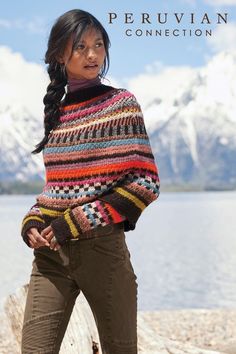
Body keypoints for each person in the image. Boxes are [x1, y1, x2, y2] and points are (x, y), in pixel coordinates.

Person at [20, 8, 160, 354]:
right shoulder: (57, 112)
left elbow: (146, 183)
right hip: (51, 255)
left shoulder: (121, 105)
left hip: (103, 251)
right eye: (80, 47)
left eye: (99, 45)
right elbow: (56, 191)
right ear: (59, 54)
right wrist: (33, 220)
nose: (93, 54)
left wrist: (78, 220)